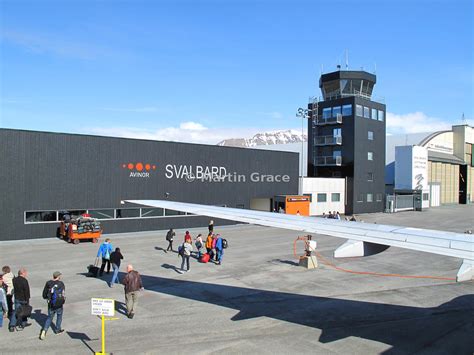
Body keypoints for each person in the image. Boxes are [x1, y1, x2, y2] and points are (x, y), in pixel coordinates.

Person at [39, 271, 66, 340]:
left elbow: (44, 294)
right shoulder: (61, 283)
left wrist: (47, 298)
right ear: (58, 276)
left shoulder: (48, 283)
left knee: (49, 318)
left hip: (51, 304)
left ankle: (44, 330)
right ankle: (57, 329)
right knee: (59, 316)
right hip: (59, 304)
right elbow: (63, 293)